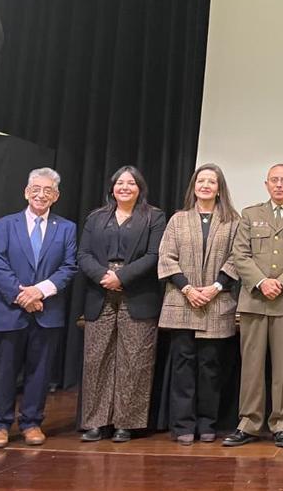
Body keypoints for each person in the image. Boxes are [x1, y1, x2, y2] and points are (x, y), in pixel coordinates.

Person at [223, 164, 283, 449]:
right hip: (254, 299)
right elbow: (239, 253)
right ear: (266, 184)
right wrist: (262, 281)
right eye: (274, 180)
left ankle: (282, 424)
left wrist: (281, 282)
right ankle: (249, 424)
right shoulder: (251, 214)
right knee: (251, 368)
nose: (279, 185)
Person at [0, 167, 78, 448]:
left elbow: (69, 267)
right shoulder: (3, 226)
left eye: (47, 190)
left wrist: (40, 291)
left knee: (40, 371)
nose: (41, 194)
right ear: (26, 192)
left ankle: (32, 423)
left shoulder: (67, 228)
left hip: (47, 312)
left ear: (56, 196)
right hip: (8, 310)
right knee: (4, 370)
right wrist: (21, 295)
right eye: (36, 189)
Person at [78, 165, 167, 443]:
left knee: (134, 359)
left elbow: (154, 255)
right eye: (120, 183)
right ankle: (95, 422)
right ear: (112, 188)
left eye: (131, 183)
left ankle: (126, 423)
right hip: (100, 289)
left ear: (140, 188)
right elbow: (83, 253)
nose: (125, 187)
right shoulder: (96, 218)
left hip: (137, 292)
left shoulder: (154, 216)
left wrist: (122, 277)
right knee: (97, 358)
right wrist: (104, 276)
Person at [157, 163, 241, 445]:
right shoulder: (177, 220)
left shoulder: (233, 221)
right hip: (182, 301)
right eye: (201, 181)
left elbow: (236, 258)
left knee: (210, 367)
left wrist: (216, 287)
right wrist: (188, 289)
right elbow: (166, 258)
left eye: (212, 182)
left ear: (219, 189)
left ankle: (207, 423)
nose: (206, 185)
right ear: (194, 186)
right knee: (183, 365)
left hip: (217, 303)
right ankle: (182, 425)